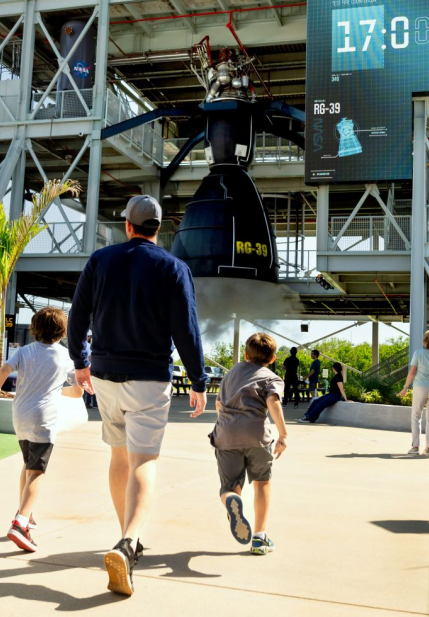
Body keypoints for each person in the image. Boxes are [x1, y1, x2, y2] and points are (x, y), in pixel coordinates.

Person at [67, 194, 207, 597]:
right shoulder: (174, 267)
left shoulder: (100, 260)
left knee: (119, 455)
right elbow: (187, 328)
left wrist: (80, 361)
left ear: (128, 224)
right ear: (157, 228)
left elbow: (78, 314)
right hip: (149, 375)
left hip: (106, 375)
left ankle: (127, 536)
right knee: (144, 459)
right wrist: (197, 381)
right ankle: (129, 542)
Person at [0, 307, 82, 553]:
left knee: (28, 466)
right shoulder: (64, 357)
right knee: (37, 471)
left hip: (21, 416)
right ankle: (20, 523)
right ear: (62, 332)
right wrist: (62, 390)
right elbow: (78, 391)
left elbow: (4, 370)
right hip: (43, 420)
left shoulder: (24, 352)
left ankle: (25, 512)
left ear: (34, 329)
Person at [209, 332, 288, 555]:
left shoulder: (231, 374)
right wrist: (283, 435)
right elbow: (273, 402)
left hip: (226, 435)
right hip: (256, 436)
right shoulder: (271, 378)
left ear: (245, 354)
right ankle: (259, 539)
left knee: (229, 485)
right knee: (262, 482)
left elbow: (218, 405)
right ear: (273, 358)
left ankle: (231, 500)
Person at [398, 329, 429, 456]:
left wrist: (405, 387)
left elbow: (412, 372)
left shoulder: (418, 353)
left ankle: (415, 447)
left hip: (420, 387)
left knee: (416, 416)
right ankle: (428, 449)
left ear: (425, 341)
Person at [82, 332, 98, 409]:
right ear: (88, 337)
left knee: (82, 386)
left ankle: (85, 402)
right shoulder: (89, 346)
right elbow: (90, 358)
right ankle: (93, 403)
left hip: (78, 368)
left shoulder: (78, 345)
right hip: (88, 368)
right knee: (91, 386)